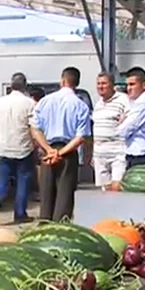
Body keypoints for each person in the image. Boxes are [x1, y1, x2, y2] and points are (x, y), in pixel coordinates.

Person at [30, 67, 91, 221]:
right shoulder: (81, 105)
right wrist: (60, 153)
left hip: (47, 152)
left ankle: (44, 227)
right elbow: (80, 137)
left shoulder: (45, 101)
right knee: (64, 198)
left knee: (46, 196)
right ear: (76, 83)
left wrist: (49, 150)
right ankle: (60, 228)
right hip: (68, 152)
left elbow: (35, 129)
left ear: (62, 80)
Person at [0, 73, 36, 224]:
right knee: (23, 180)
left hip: (5, 147)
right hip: (23, 148)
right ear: (25, 85)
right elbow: (33, 127)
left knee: (3, 177)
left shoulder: (1, 102)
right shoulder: (29, 103)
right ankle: (20, 213)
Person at [92, 72, 130, 191]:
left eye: (104, 83)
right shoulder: (98, 103)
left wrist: (125, 119)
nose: (100, 86)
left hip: (117, 151)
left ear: (112, 85)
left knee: (116, 187)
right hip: (99, 153)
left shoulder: (123, 99)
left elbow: (130, 118)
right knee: (103, 189)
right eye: (98, 83)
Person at [116, 66, 145, 169]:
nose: (128, 88)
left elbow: (123, 131)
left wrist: (122, 123)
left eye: (132, 84)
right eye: (127, 85)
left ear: (144, 85)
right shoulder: (139, 102)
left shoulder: (144, 103)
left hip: (141, 157)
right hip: (136, 155)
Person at [28, 86, 46, 202]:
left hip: (37, 140)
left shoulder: (33, 107)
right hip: (45, 140)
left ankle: (41, 191)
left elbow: (32, 126)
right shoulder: (46, 106)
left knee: (38, 167)